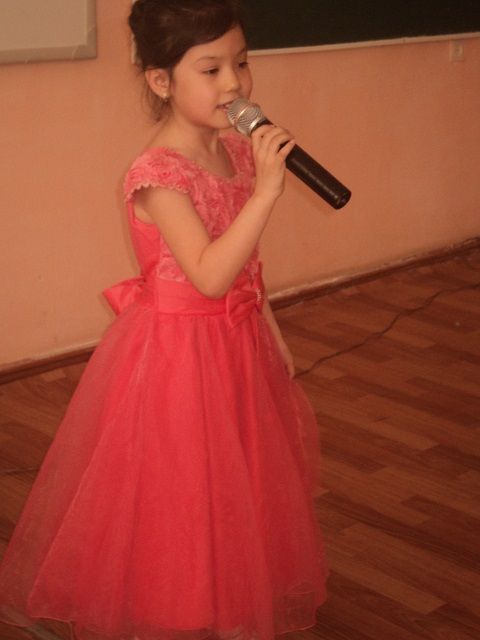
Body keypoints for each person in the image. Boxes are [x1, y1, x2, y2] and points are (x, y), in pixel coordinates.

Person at [0, 1, 330, 639]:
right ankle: (176, 601)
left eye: (241, 63)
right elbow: (207, 275)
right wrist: (266, 192)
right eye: (211, 69)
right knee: (182, 484)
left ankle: (228, 589)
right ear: (161, 81)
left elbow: (245, 264)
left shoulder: (233, 151)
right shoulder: (156, 173)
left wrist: (272, 331)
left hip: (237, 341)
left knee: (235, 478)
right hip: (180, 355)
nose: (233, 83)